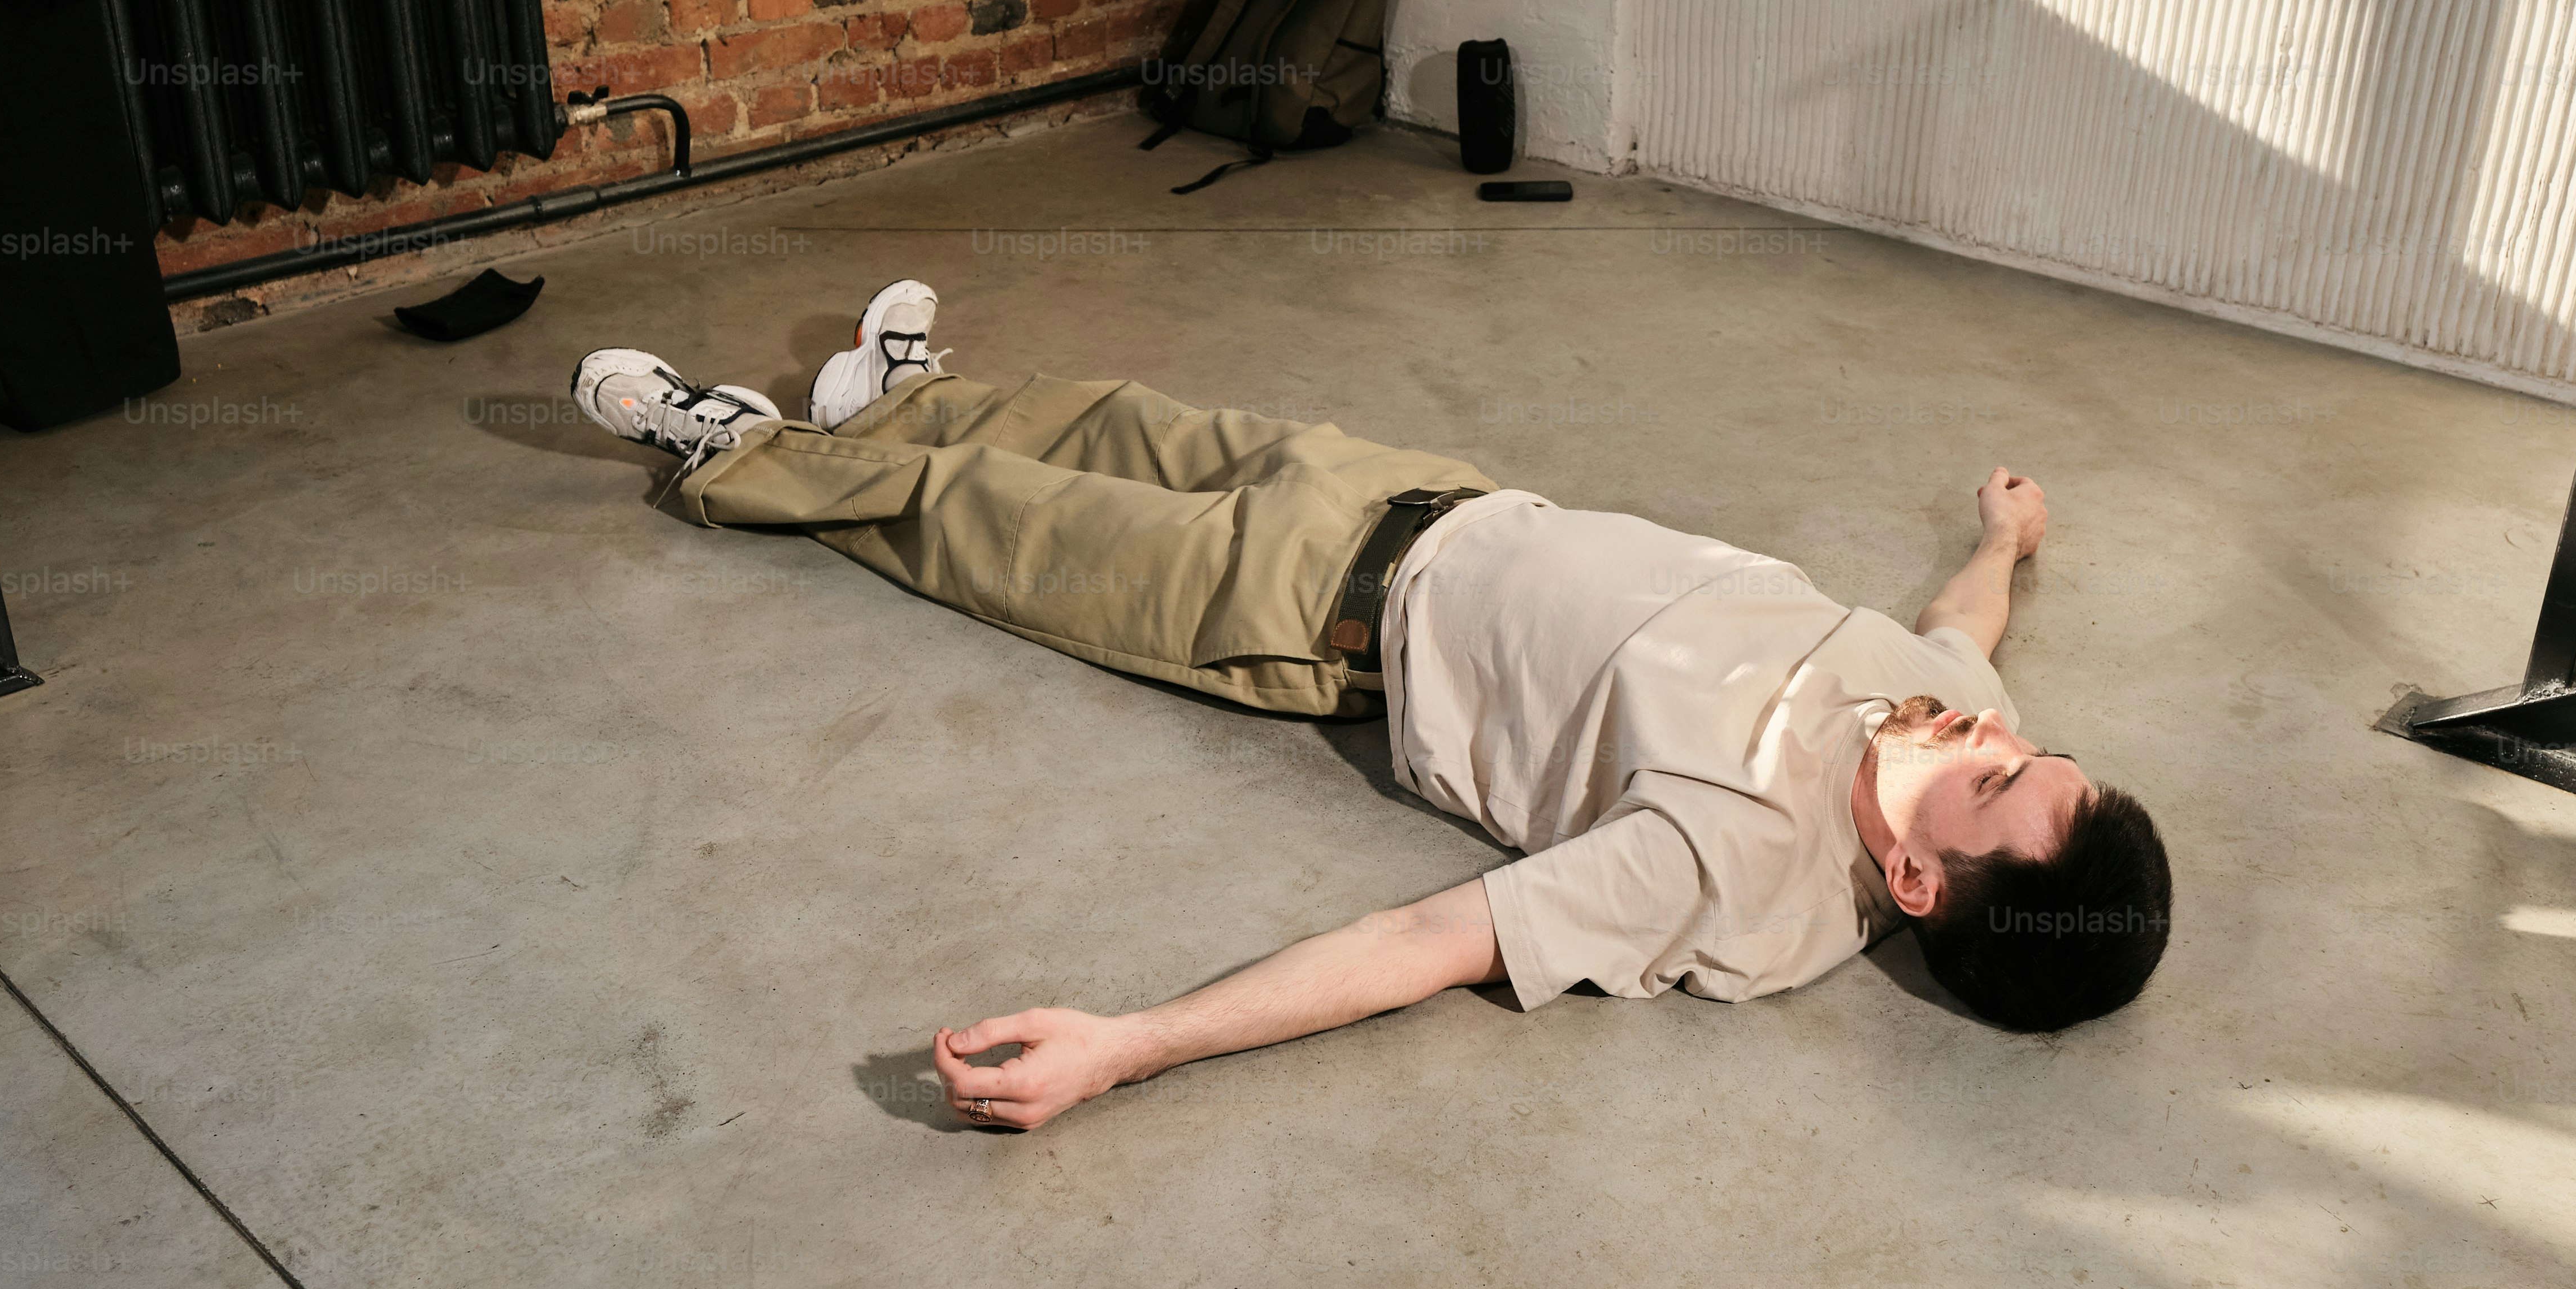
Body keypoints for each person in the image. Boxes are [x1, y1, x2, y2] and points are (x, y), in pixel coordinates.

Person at [574, 279, 2171, 1132]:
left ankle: (740, 457)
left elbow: (1427, 945)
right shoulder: (1954, 716)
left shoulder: (1724, 865)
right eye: (2035, 752)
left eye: (1996, 785)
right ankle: (897, 389)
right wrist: (2002, 539)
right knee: (1132, 423)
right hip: (1440, 503)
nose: (1990, 734)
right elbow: (1968, 634)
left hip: (1314, 617)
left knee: (995, 526)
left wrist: (1131, 1047)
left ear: (1911, 883)